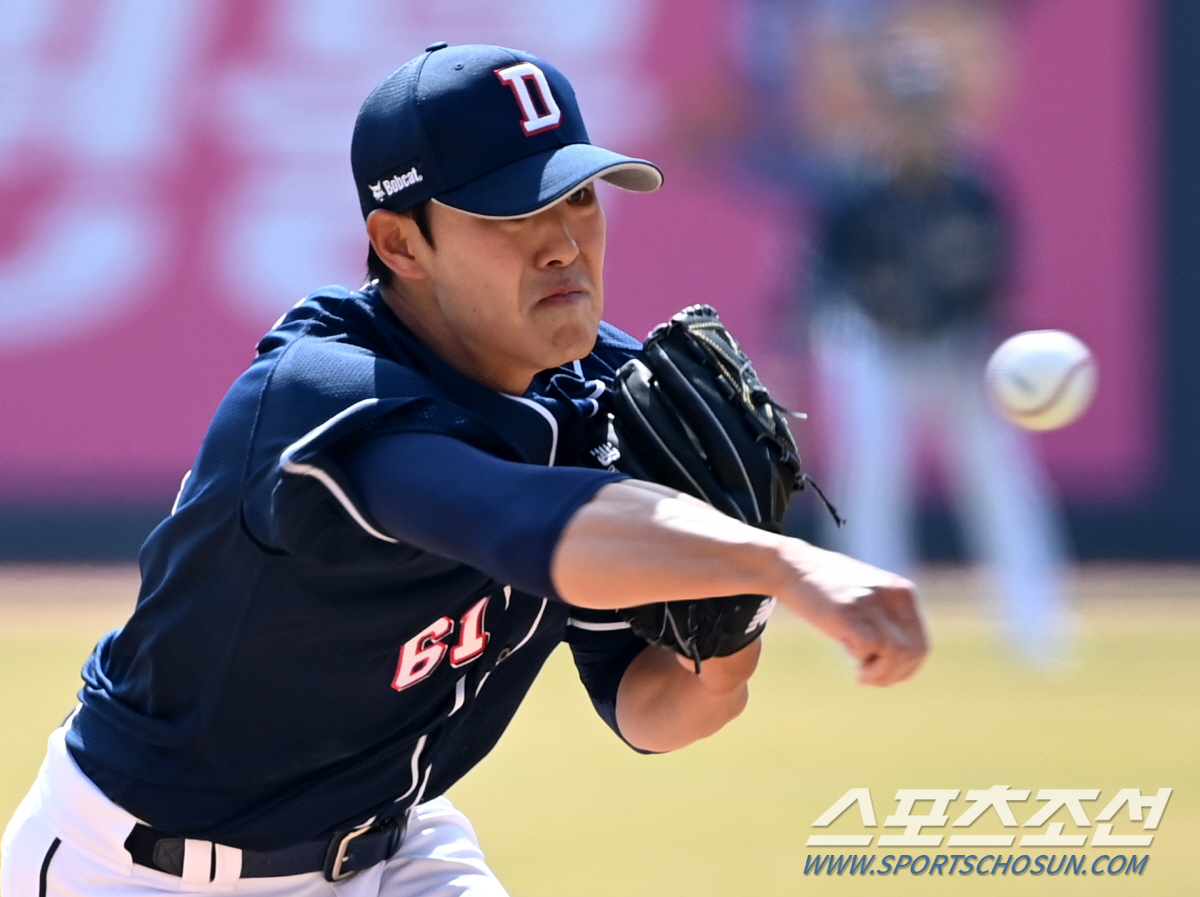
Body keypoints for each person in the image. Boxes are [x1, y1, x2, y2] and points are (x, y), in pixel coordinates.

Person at [1, 42, 925, 897]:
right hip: (140, 868)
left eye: (580, 197)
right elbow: (514, 516)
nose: (565, 242)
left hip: (397, 848)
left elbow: (654, 710)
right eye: (514, 211)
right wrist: (783, 561)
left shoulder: (599, 395)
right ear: (401, 242)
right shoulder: (323, 393)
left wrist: (727, 647)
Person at [799, 1, 1072, 665]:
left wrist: (972, 344)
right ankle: (869, 625)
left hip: (954, 342)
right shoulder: (856, 186)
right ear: (889, 111)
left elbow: (992, 281)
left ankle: (1037, 625)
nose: (917, 124)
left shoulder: (973, 185)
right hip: (873, 339)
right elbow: (824, 281)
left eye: (926, 109)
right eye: (906, 108)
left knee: (1001, 472)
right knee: (869, 476)